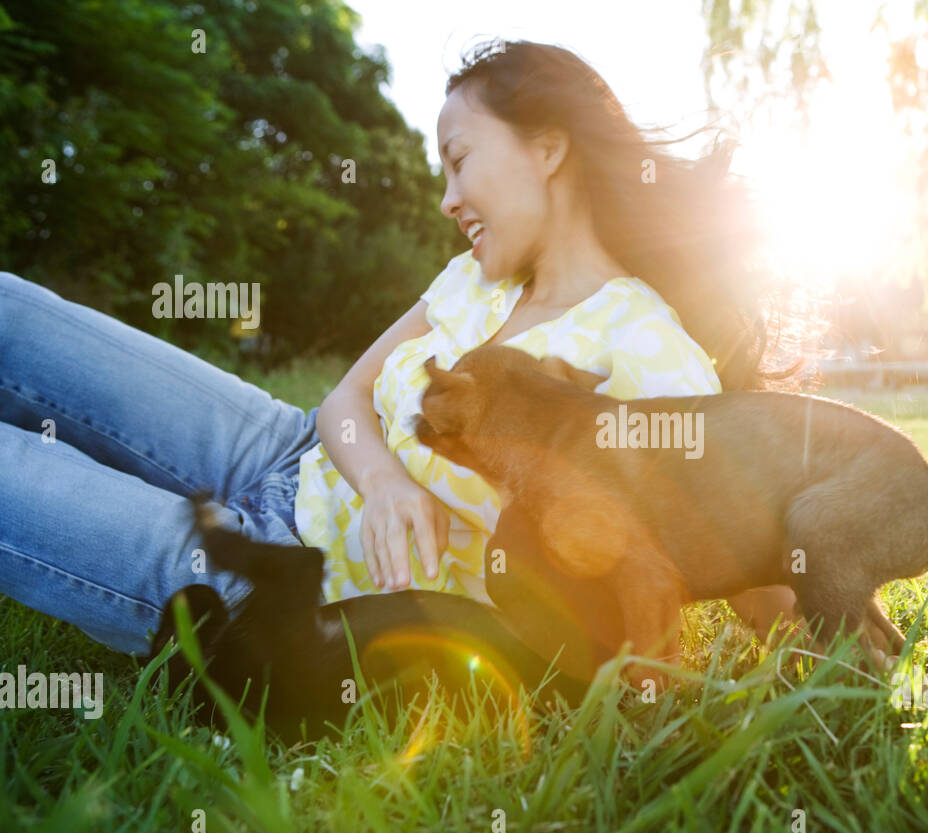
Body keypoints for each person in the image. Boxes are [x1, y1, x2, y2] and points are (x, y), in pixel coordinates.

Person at [0, 38, 799, 691]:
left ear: (549, 147)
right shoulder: (471, 283)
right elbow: (342, 398)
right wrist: (382, 481)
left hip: (275, 583)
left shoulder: (650, 352)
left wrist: (816, 629)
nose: (447, 199)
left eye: (459, 160)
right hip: (280, 450)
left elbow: (741, 556)